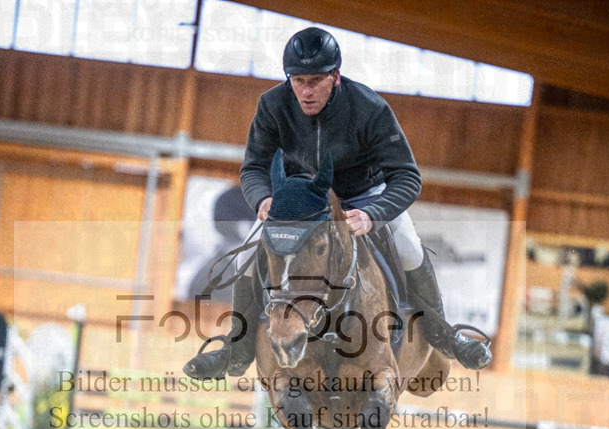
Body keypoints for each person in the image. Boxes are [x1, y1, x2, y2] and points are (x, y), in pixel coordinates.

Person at [183, 27, 491, 380]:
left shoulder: (370, 108)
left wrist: (373, 214)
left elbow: (407, 177)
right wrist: (262, 198)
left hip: (363, 197)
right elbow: (253, 167)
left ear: (336, 76)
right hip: (298, 204)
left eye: (316, 80)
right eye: (298, 81)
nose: (306, 91)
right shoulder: (272, 104)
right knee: (244, 255)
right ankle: (235, 352)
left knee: (409, 247)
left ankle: (445, 337)